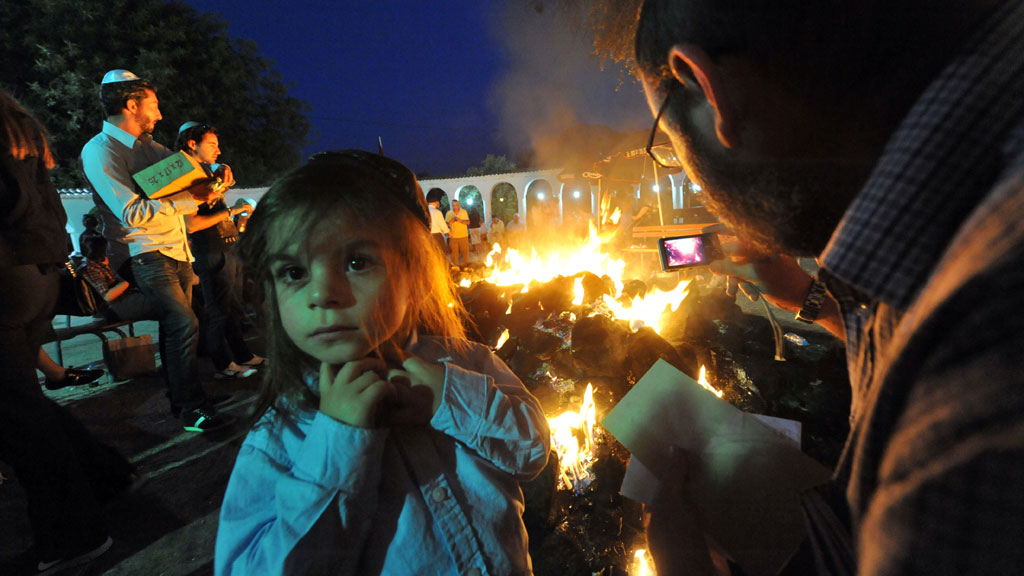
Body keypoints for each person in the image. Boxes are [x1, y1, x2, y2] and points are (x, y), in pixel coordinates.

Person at [633, 0, 1024, 574]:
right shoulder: (974, 212)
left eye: (669, 145)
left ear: (709, 89)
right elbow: (914, 317)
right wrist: (808, 298)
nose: (689, 174)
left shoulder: (963, 420)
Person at [215, 151, 550, 575]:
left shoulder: (468, 361)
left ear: (412, 272)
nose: (322, 294)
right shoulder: (282, 434)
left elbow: (531, 452)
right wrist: (339, 441)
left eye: (356, 263)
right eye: (294, 272)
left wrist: (449, 399)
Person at [0, 87, 135, 575]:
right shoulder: (20, 131)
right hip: (38, 273)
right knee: (22, 403)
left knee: (16, 415)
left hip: (10, 273)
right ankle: (104, 476)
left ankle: (76, 533)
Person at [80, 69, 232, 432]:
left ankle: (186, 400)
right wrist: (189, 198)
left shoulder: (150, 149)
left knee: (177, 324)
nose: (160, 114)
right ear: (132, 105)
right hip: (143, 252)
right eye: (154, 105)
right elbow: (130, 213)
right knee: (183, 320)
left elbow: (192, 167)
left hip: (176, 249)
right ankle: (191, 407)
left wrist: (216, 170)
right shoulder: (100, 151)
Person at [176, 121, 263, 380]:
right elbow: (193, 224)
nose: (219, 150)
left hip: (228, 248)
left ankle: (243, 355)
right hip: (211, 252)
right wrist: (231, 211)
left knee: (234, 306)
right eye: (212, 144)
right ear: (192, 144)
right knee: (218, 311)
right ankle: (223, 364)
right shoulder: (184, 177)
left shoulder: (207, 173)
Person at [79, 233, 153, 323]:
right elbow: (107, 297)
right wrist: (127, 281)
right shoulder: (91, 268)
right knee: (160, 302)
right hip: (113, 308)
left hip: (125, 300)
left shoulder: (104, 262)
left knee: (162, 298)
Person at [445, 199, 470, 267]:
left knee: (465, 253)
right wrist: (451, 220)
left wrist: (460, 221)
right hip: (453, 237)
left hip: (463, 236)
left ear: (459, 205)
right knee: (454, 254)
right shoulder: (449, 213)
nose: (455, 206)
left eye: (456, 205)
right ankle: (455, 268)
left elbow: (468, 222)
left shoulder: (464, 212)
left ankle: (465, 267)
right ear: (452, 205)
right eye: (453, 205)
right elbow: (446, 225)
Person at [425, 188, 450, 257]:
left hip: (427, 236)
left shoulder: (424, 211)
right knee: (440, 255)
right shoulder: (437, 212)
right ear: (436, 202)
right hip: (436, 237)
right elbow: (443, 226)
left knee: (431, 255)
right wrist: (449, 232)